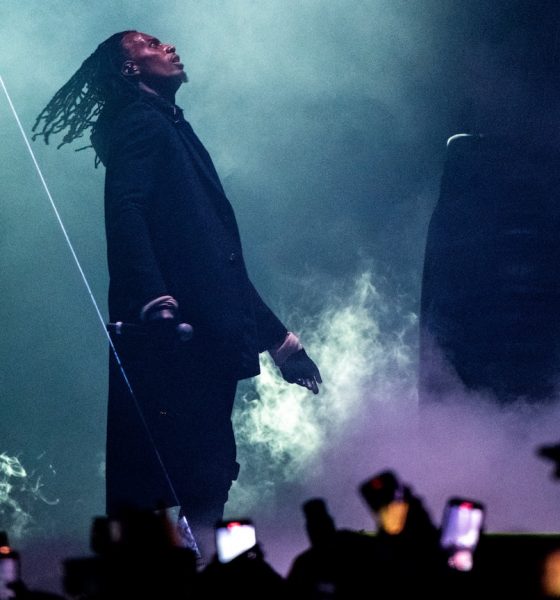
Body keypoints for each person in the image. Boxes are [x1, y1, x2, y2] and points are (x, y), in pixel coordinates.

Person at [33, 30, 322, 558]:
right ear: (129, 70)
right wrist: (152, 297)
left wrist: (281, 342)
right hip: (175, 338)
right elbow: (126, 209)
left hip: (199, 336)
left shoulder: (167, 126)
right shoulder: (140, 125)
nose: (168, 48)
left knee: (205, 471)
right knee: (181, 475)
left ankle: (183, 571)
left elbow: (217, 262)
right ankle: (168, 580)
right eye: (151, 45)